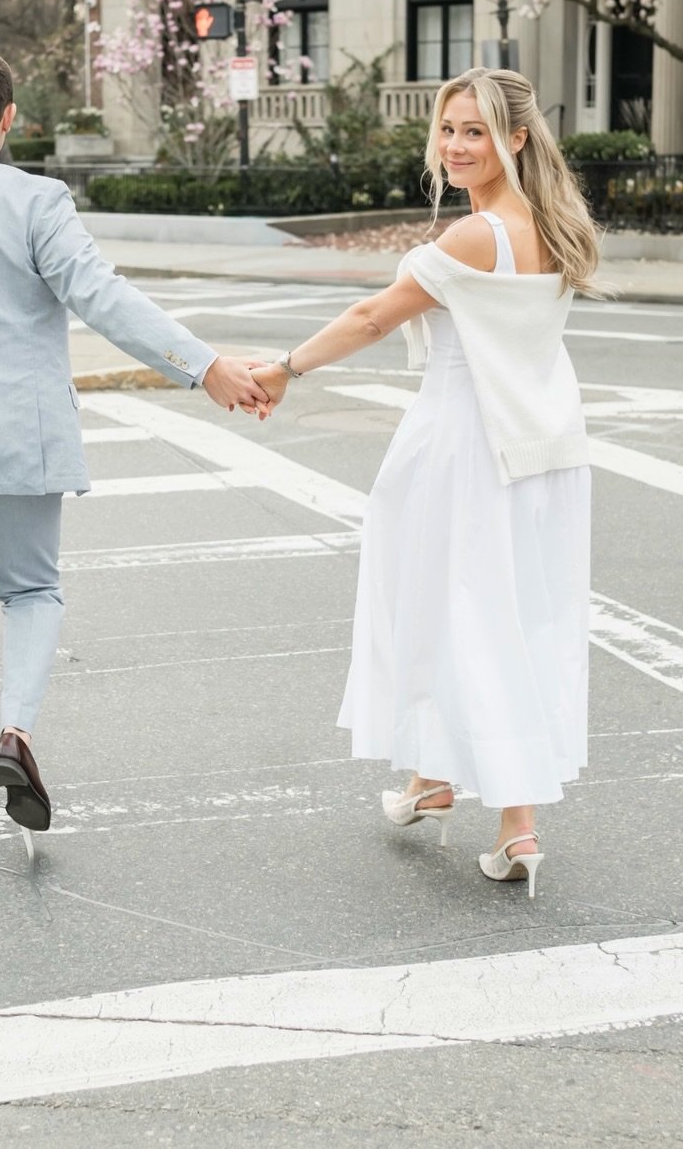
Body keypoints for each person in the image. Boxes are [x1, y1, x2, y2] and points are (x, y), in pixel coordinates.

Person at [0, 44, 269, 842]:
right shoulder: (37, 200)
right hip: (17, 438)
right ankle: (15, 732)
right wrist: (203, 367)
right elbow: (103, 298)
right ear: (8, 120)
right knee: (30, 590)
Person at [252, 68, 600, 897]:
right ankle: (437, 784)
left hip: (461, 448)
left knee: (442, 611)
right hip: (544, 451)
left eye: (474, 131)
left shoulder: (477, 238)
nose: (453, 145)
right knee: (509, 617)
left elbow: (374, 316)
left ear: (516, 138)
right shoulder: (558, 224)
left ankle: (511, 818)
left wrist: (285, 367)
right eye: (447, 129)